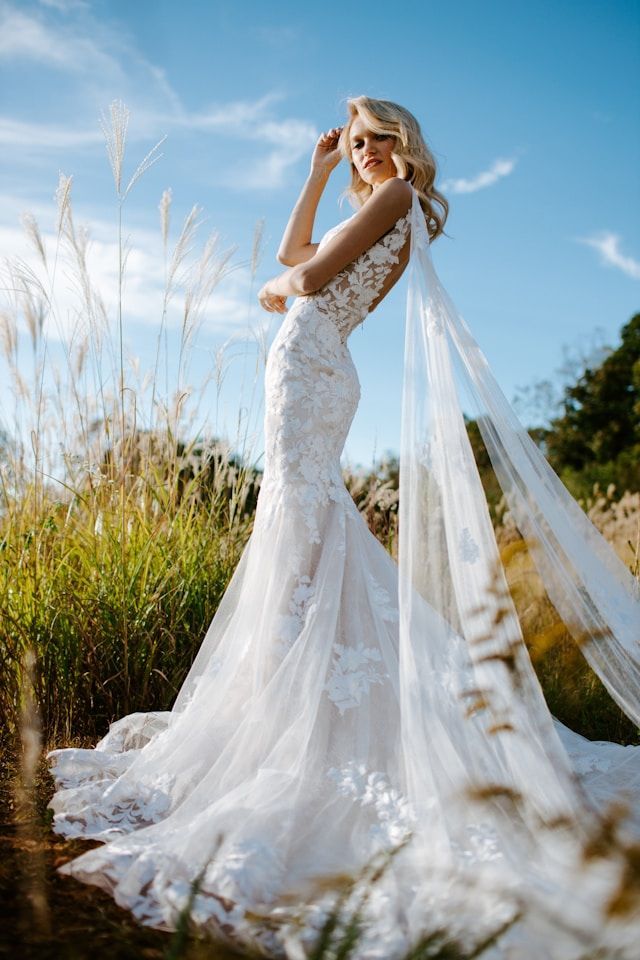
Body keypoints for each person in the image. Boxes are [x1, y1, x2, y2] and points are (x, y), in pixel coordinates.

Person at [47, 96, 640, 959]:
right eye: (354, 141)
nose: (363, 152)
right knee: (301, 528)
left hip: (316, 366)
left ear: (403, 143)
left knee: (304, 523)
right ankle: (288, 694)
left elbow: (304, 280)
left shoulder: (397, 198)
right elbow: (294, 256)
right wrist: (315, 174)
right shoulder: (362, 196)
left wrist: (280, 286)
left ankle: (307, 715)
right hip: (306, 365)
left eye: (373, 139)